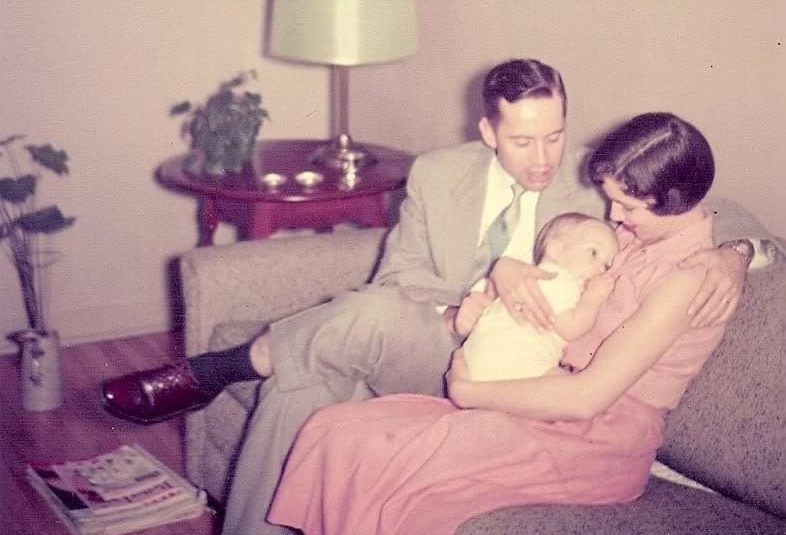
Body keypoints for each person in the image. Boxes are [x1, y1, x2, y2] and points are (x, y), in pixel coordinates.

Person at [100, 59, 767, 535]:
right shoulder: (439, 174)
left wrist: (736, 255)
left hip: (530, 372)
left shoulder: (605, 182)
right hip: (442, 334)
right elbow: (398, 282)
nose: (543, 158)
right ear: (489, 132)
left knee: (312, 371)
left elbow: (712, 214)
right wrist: (480, 292)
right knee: (362, 325)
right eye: (523, 140)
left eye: (555, 135)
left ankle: (225, 366)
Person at [265, 112, 738, 535]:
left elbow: (587, 398)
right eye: (613, 202)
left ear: (674, 201)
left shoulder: (688, 280)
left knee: (391, 463)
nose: (614, 217)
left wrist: (469, 393)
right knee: (338, 429)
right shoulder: (639, 233)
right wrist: (739, 251)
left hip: (598, 437)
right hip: (539, 391)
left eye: (627, 208)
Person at [460, 212, 619, 381]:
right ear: (556, 250)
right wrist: (594, 296)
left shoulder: (534, 280)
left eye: (606, 266)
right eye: (594, 252)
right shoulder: (557, 277)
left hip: (480, 360)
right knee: (577, 387)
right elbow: (571, 328)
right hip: (514, 361)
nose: (600, 269)